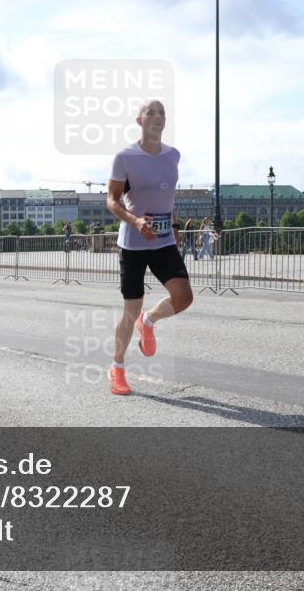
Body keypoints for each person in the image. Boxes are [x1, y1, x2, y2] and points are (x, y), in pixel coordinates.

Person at [106, 100, 193, 396]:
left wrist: (175, 225)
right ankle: (117, 368)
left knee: (183, 297)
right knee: (131, 309)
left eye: (162, 113)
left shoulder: (173, 155)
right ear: (139, 120)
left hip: (164, 239)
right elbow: (112, 200)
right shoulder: (125, 157)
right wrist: (134, 221)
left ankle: (150, 321)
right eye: (151, 113)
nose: (157, 117)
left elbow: (167, 196)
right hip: (133, 242)